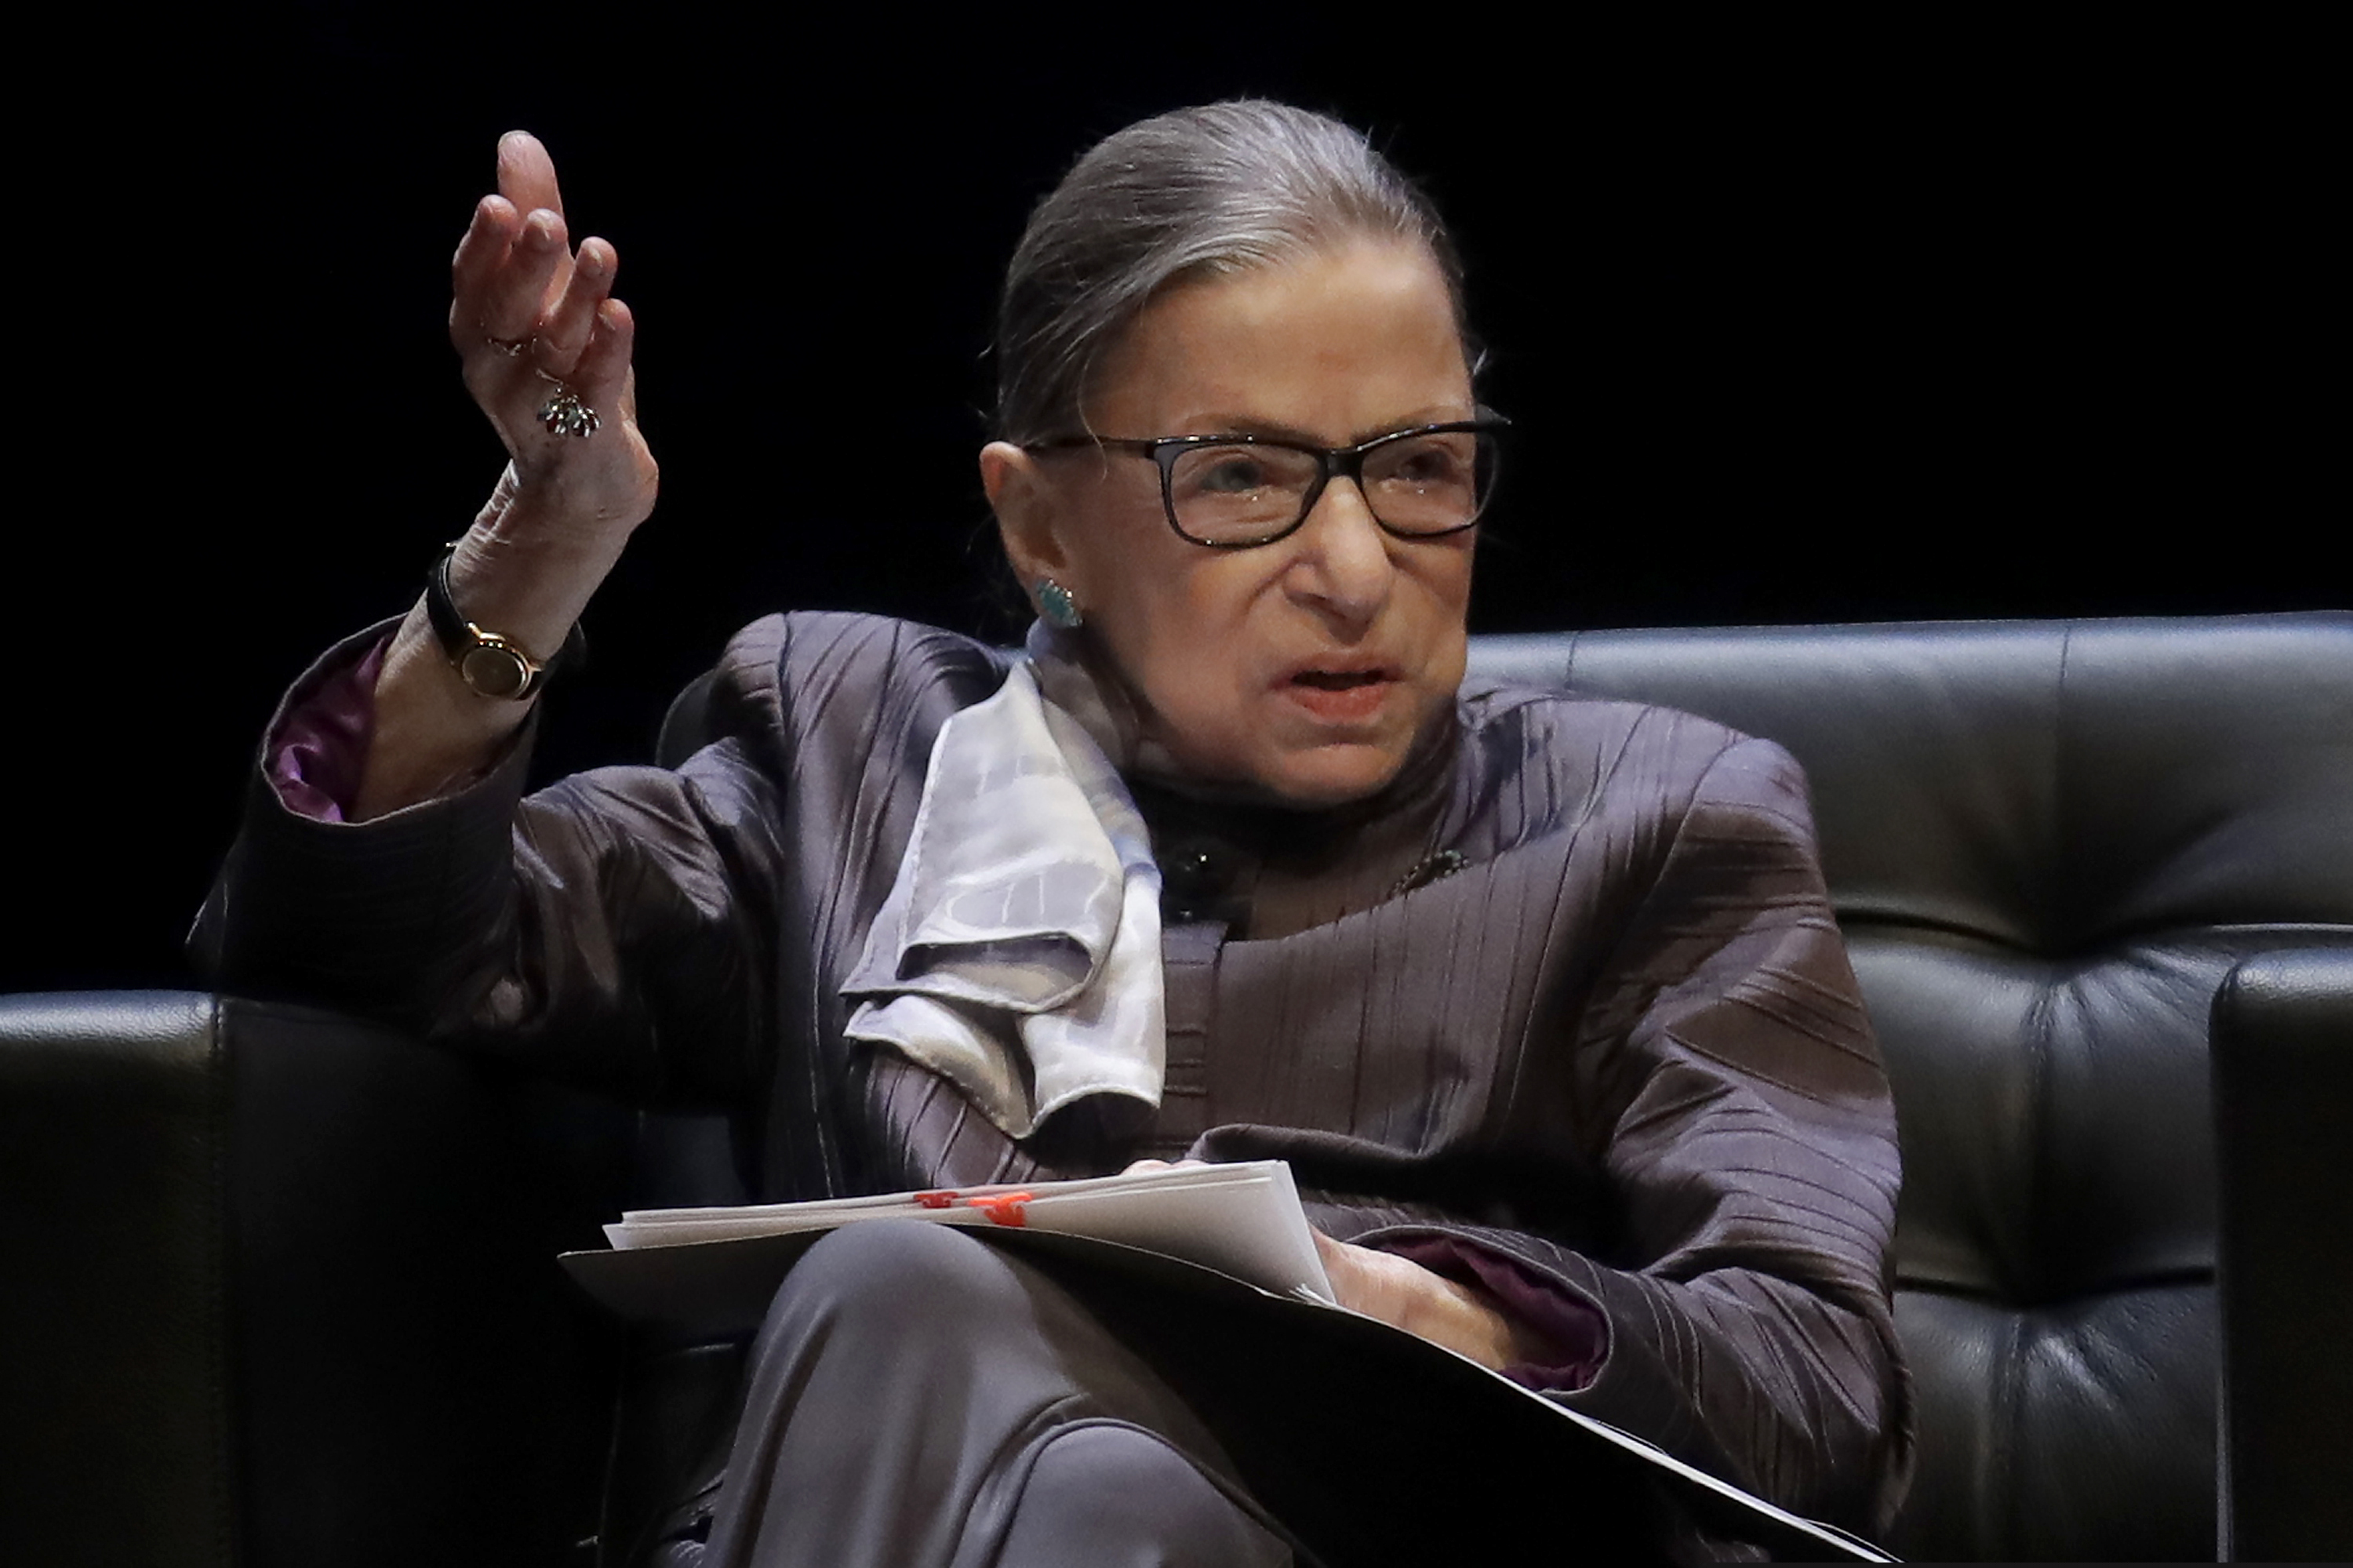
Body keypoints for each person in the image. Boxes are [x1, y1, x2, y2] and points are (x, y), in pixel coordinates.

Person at [196, 102, 1911, 1564]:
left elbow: (1819, 1380)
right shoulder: (851, 751)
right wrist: (535, 548)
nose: (1357, 563)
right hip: (973, 1502)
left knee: (912, 1299)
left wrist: (1424, 1313)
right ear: (1041, 527)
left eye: (1419, 465)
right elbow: (361, 941)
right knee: (1041, 1448)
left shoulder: (1657, 822)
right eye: (1243, 477)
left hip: (1406, 1517)